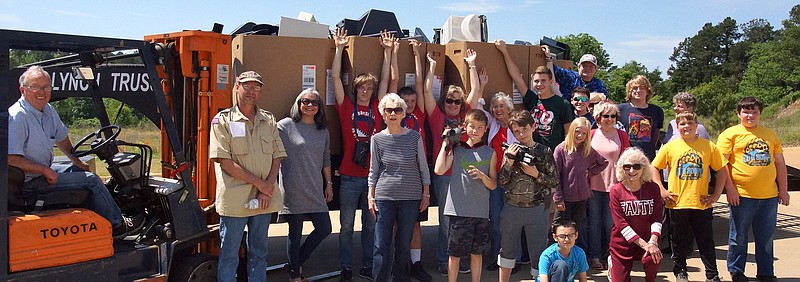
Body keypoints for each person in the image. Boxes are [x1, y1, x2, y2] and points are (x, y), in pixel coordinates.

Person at [8, 65, 136, 237]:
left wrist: (76, 161)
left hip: (40, 173)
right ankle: (117, 225)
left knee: (79, 170)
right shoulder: (18, 116)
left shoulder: (47, 110)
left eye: (46, 87)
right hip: (29, 184)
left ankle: (97, 219)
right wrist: (44, 169)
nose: (42, 92)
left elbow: (61, 138)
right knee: (91, 180)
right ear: (23, 90)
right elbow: (11, 159)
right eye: (35, 87)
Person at [497, 40, 574, 273]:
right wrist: (504, 51)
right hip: (525, 156)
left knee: (547, 211)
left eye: (543, 80)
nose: (539, 84)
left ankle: (543, 258)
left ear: (551, 80)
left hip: (550, 159)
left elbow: (569, 133)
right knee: (525, 208)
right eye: (536, 81)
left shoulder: (561, 104)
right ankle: (525, 256)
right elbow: (516, 77)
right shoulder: (532, 100)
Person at [209, 70, 287, 282]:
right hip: (235, 201)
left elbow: (278, 155)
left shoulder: (268, 120)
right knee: (229, 254)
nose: (252, 91)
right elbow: (225, 161)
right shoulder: (222, 121)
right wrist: (261, 184)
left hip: (264, 199)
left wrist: (267, 188)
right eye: (247, 86)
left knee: (259, 253)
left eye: (257, 87)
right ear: (237, 87)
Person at [332, 27, 393, 281]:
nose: (366, 91)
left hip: (372, 179)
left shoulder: (380, 110)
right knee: (346, 226)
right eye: (362, 88)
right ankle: (346, 266)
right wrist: (338, 49)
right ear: (356, 90)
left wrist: (388, 53)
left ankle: (368, 265)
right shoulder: (347, 109)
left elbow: (387, 82)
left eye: (370, 88)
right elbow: (336, 79)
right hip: (348, 176)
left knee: (370, 226)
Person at [718, 96, 789, 282]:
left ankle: (766, 273)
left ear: (760, 113)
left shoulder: (770, 135)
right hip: (742, 196)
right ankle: (737, 271)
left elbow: (780, 163)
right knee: (739, 237)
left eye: (754, 111)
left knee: (766, 238)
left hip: (769, 197)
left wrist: (783, 190)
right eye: (746, 112)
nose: (750, 115)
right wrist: (730, 189)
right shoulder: (729, 134)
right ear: (738, 113)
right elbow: (722, 165)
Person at [651, 111, 728, 282]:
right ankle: (680, 271)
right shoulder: (670, 147)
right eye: (682, 124)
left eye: (690, 123)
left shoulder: (708, 146)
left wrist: (715, 195)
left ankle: (712, 274)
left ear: (696, 125)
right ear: (677, 127)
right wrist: (662, 191)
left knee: (705, 240)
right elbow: (654, 167)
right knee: (678, 241)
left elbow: (722, 170)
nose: (686, 127)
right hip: (677, 202)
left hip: (701, 203)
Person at [424, 49, 480, 276]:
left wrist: (472, 65)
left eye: (457, 101)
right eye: (449, 100)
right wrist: (431, 68)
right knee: (446, 222)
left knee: (464, 220)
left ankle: (461, 259)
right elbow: (426, 91)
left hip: (465, 176)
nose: (454, 104)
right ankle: (443, 259)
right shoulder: (436, 116)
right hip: (444, 177)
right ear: (444, 101)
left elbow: (475, 91)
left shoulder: (467, 118)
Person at [367, 93, 431, 282]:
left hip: (410, 198)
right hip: (384, 197)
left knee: (403, 243)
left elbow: (423, 166)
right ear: (383, 114)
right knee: (381, 244)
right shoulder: (377, 139)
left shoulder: (414, 137)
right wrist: (371, 197)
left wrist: (426, 193)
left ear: (403, 114)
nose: (393, 113)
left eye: (397, 110)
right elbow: (374, 170)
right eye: (389, 110)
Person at [434, 109, 498, 282]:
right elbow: (439, 170)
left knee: (476, 254)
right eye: (472, 126)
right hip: (458, 211)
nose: (475, 130)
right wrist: (445, 144)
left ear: (485, 129)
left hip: (480, 212)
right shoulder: (457, 149)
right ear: (465, 127)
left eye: (479, 127)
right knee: (454, 254)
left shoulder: (490, 153)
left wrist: (483, 177)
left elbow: (493, 185)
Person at [277, 89, 334, 282]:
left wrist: (329, 184)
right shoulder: (284, 126)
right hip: (293, 185)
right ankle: (295, 275)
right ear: (298, 103)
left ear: (320, 108)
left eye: (315, 103)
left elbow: (326, 158)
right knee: (295, 232)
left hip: (315, 186)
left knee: (324, 228)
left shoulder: (323, 131)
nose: (310, 105)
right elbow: (275, 155)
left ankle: (295, 263)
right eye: (306, 101)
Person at [497, 110, 559, 282]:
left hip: (537, 209)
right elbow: (502, 182)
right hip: (512, 209)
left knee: (538, 254)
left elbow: (554, 181)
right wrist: (509, 162)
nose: (521, 134)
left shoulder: (545, 151)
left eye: (524, 129)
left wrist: (535, 173)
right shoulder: (510, 151)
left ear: (533, 127)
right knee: (507, 251)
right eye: (516, 131)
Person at [388, 39, 432, 281]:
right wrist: (393, 53)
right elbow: (393, 83)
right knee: (395, 223)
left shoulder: (420, 114)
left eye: (413, 102)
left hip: (416, 176)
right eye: (407, 103)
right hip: (396, 177)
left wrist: (417, 53)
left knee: (415, 224)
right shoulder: (395, 118)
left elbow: (419, 83)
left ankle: (416, 264)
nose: (411, 105)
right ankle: (400, 262)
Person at [608, 147, 664, 282]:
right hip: (622, 244)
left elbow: (657, 217)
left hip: (648, 239)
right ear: (622, 169)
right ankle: (613, 266)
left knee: (653, 257)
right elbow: (621, 224)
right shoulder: (616, 190)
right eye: (627, 167)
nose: (632, 171)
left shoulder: (653, 188)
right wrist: (645, 245)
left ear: (644, 168)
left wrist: (653, 241)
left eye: (636, 166)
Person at [587, 102, 630, 270]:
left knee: (610, 223)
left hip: (615, 185)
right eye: (606, 116)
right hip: (593, 184)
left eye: (613, 116)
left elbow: (627, 158)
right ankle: (595, 256)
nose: (610, 119)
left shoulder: (621, 135)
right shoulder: (591, 134)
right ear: (598, 117)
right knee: (594, 222)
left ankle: (612, 254)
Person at [552, 117, 608, 246]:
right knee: (559, 227)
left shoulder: (587, 150)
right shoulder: (561, 149)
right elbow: (555, 175)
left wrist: (590, 172)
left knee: (576, 228)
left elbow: (603, 162)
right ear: (572, 131)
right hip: (565, 198)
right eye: (577, 131)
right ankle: (555, 255)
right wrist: (558, 198)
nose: (580, 136)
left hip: (582, 196)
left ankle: (575, 255)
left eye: (584, 133)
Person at [617, 75, 664, 160]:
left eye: (642, 88)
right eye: (635, 88)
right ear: (630, 91)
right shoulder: (620, 109)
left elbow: (656, 134)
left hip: (649, 158)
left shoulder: (657, 111)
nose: (638, 91)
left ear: (647, 91)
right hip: (626, 158)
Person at [542, 47, 609, 100]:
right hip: (567, 115)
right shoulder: (569, 76)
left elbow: (605, 101)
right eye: (584, 66)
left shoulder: (600, 86)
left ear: (595, 69)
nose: (587, 68)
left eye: (591, 66)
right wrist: (548, 57)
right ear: (579, 67)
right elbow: (552, 70)